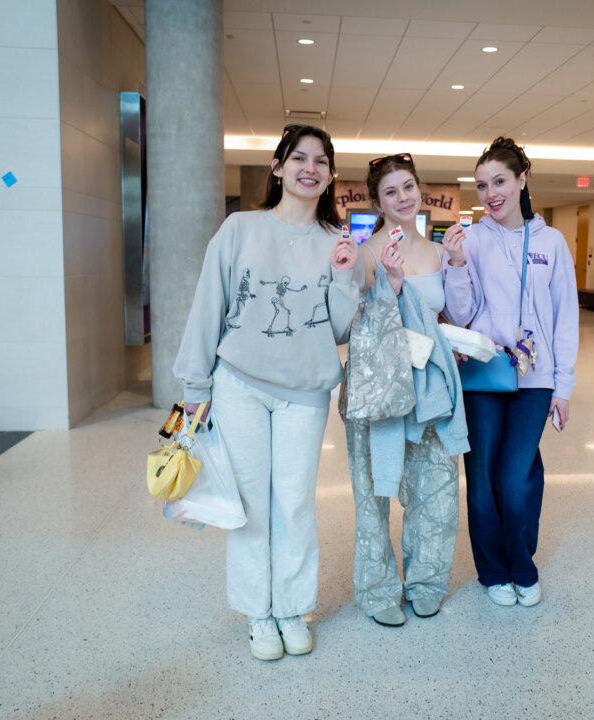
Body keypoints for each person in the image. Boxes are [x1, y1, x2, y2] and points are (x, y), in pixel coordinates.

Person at [173, 124, 359, 661]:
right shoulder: (240, 228)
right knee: (252, 503)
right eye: (299, 157)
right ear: (278, 168)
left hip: (306, 391)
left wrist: (347, 277)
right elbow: (209, 305)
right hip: (240, 385)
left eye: (321, 160)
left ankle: (292, 608)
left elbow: (341, 329)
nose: (310, 168)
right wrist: (194, 386)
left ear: (329, 175)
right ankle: (259, 613)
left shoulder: (335, 243)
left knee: (295, 502)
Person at [441, 137, 579, 608]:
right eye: (481, 186)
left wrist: (564, 387)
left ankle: (523, 563)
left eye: (499, 181)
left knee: (515, 476)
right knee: (481, 479)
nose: (490, 193)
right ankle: (494, 572)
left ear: (522, 181)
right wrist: (456, 264)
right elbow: (460, 315)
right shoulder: (471, 240)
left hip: (535, 379)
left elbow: (565, 318)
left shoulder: (552, 242)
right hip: (484, 375)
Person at [344, 153, 467, 627]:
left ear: (419, 190)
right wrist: (390, 287)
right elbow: (356, 326)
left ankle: (427, 583)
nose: (402, 197)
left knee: (436, 489)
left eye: (408, 187)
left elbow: (454, 314)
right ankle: (377, 592)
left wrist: (456, 265)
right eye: (391, 191)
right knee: (373, 493)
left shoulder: (437, 252)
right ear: (377, 200)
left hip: (429, 386)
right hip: (379, 392)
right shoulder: (365, 253)